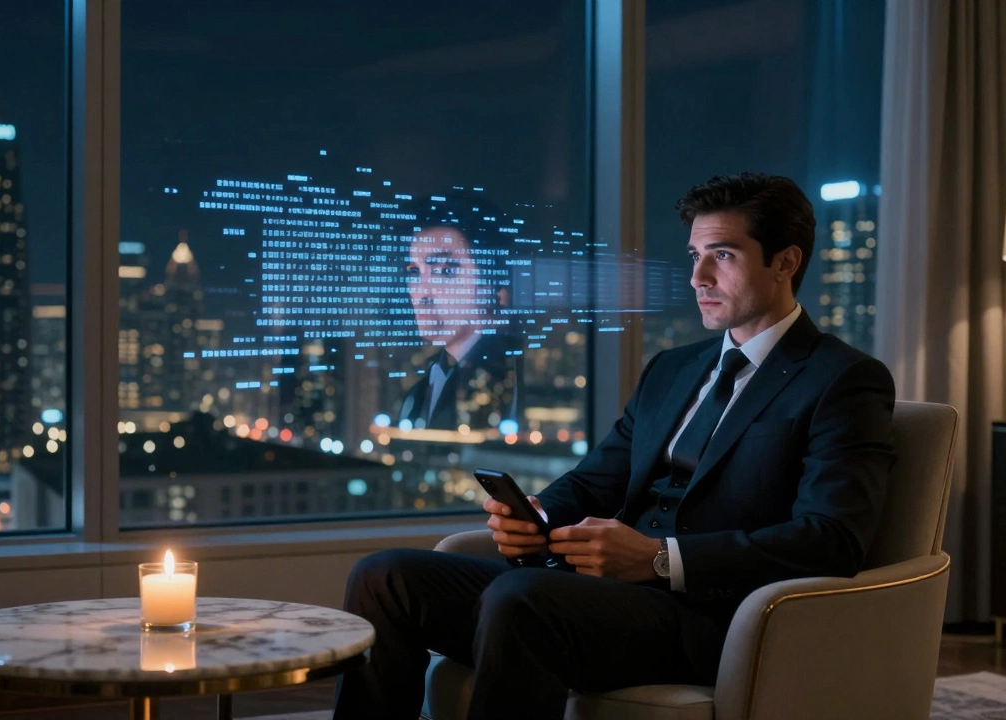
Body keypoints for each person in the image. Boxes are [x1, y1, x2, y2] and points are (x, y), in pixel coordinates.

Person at [334, 173, 896, 720]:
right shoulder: (672, 370)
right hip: (596, 598)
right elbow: (597, 477)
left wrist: (658, 559)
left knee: (523, 598)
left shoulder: (842, 379)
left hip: (709, 615)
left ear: (785, 261)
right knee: (385, 577)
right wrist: (537, 513)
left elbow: (832, 540)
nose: (698, 276)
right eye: (693, 254)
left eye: (721, 255)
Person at [395, 192, 523, 431]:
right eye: (414, 272)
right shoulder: (422, 386)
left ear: (493, 284)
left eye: (444, 271)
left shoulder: (509, 381)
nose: (420, 292)